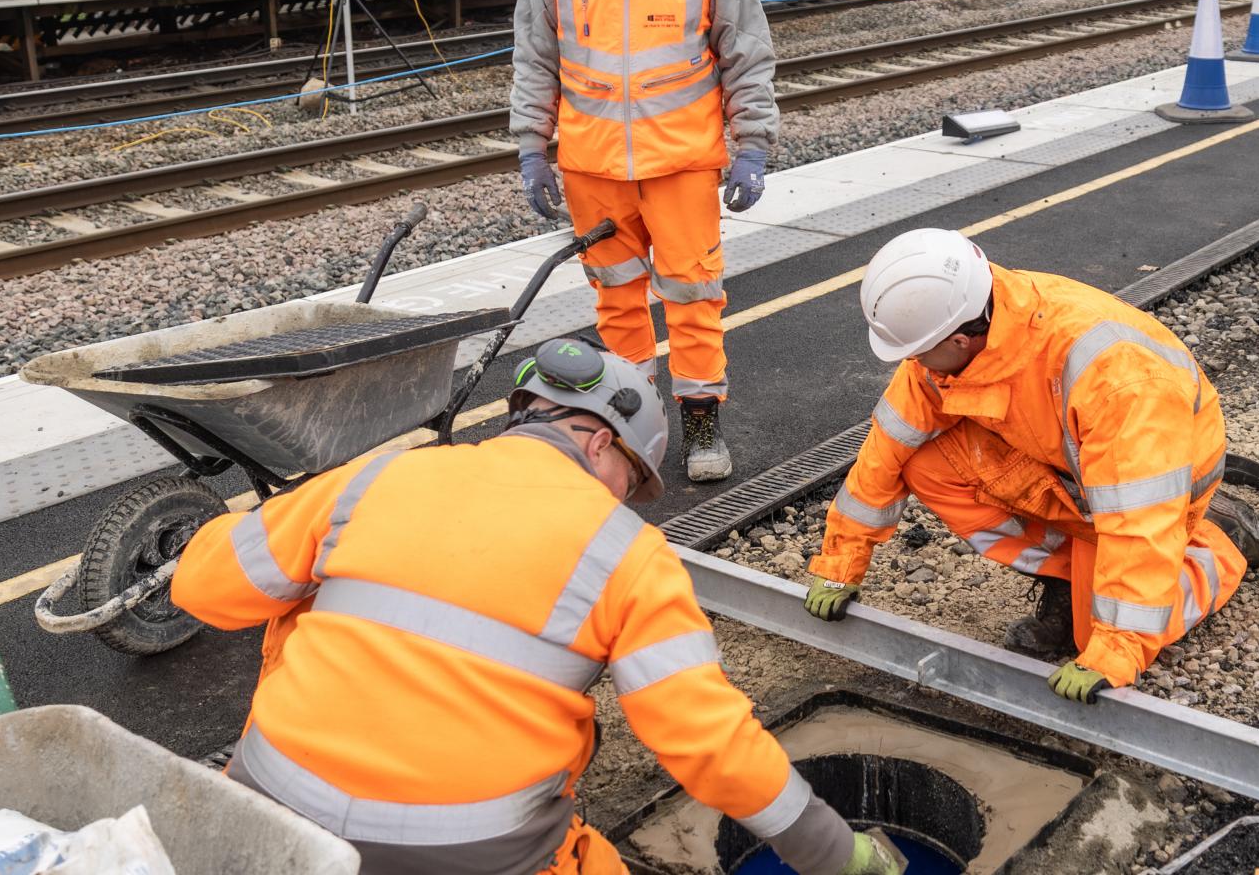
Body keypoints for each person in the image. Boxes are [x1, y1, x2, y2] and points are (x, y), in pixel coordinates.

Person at [172, 338, 900, 875]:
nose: (622, 498)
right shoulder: (629, 555)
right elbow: (707, 739)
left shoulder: (380, 475)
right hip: (473, 858)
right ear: (602, 445)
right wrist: (837, 852)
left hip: (266, 814)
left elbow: (202, 589)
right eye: (631, 479)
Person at [801, 229, 1259, 703]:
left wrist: (1118, 648)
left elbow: (1137, 520)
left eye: (917, 350)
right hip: (1072, 468)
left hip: (1152, 483)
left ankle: (1215, 547)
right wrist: (841, 560)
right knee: (924, 463)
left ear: (961, 339)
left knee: (1102, 627)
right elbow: (887, 448)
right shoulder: (962, 327)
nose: (911, 362)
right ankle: (1070, 575)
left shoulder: (1117, 380)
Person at [509, 0, 780, 484]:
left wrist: (753, 145)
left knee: (694, 300)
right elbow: (536, 58)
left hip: (683, 164)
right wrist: (532, 150)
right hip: (593, 167)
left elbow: (747, 54)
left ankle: (700, 426)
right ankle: (634, 421)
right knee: (617, 303)